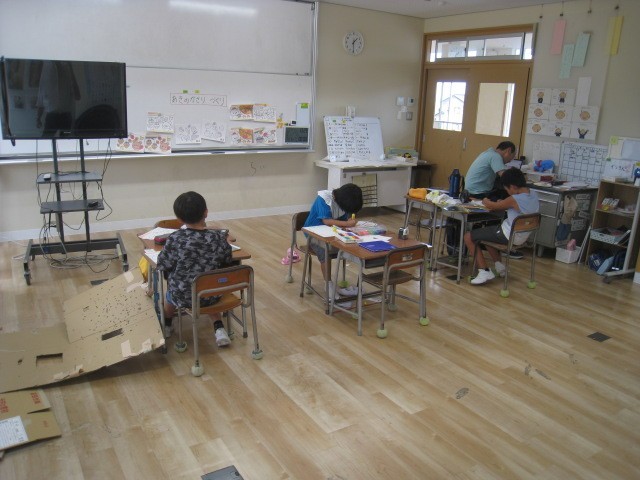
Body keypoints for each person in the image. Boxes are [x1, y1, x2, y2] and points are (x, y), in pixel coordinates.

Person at [156, 191, 233, 346]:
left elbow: (163, 264)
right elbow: (228, 260)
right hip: (213, 294)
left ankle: (168, 326)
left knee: (170, 294)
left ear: (179, 219)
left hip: (183, 296)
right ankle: (219, 329)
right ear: (206, 212)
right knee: (206, 286)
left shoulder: (175, 238)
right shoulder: (218, 237)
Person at [463, 168, 539, 285]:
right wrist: (502, 203)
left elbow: (492, 206)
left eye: (507, 189)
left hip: (509, 235)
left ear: (512, 186)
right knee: (487, 232)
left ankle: (484, 271)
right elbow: (510, 205)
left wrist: (485, 200)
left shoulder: (514, 199)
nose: (507, 192)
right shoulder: (533, 194)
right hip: (523, 235)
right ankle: (499, 267)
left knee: (468, 237)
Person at [303, 183, 363, 297]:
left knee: (351, 245)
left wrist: (349, 222)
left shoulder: (343, 202)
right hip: (313, 234)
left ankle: (341, 286)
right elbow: (326, 221)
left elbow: (344, 219)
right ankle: (328, 284)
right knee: (325, 251)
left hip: (333, 233)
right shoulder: (323, 199)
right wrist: (347, 223)